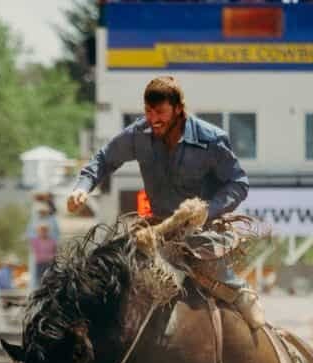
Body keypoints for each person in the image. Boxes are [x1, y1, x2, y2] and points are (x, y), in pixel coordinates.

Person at [66, 75, 264, 328]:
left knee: (217, 274)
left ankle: (244, 296)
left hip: (201, 232)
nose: (153, 119)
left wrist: (208, 210)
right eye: (148, 112)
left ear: (178, 108)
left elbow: (238, 183)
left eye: (160, 112)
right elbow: (104, 159)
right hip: (155, 232)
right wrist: (82, 187)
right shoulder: (138, 135)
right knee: (111, 269)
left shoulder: (211, 140)